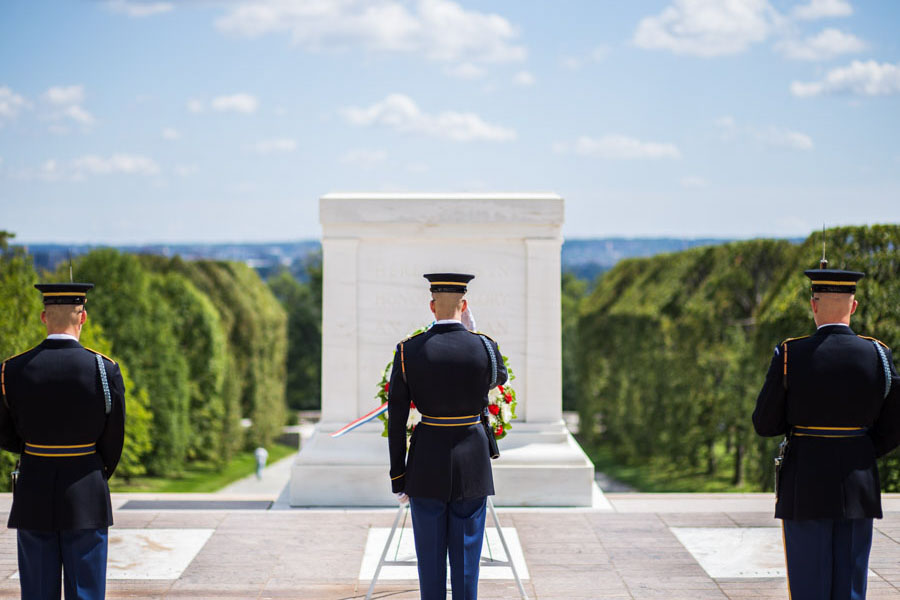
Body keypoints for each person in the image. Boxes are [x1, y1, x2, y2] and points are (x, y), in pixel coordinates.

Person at [753, 261, 900, 600]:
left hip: (805, 479)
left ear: (813, 304)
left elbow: (765, 423)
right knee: (849, 587)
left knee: (809, 587)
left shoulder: (790, 353)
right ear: (854, 305)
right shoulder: (878, 354)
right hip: (858, 480)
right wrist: (860, 447)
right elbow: (895, 424)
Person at [0, 282, 126, 600]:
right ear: (82, 317)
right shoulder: (104, 369)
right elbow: (114, 437)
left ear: (44, 317)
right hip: (87, 491)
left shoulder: (11, 370)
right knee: (86, 593)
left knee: (38, 593)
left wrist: (35, 449)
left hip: (33, 490)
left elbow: (4, 431)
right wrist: (95, 472)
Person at [387, 273, 507, 600]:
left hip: (426, 460)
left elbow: (396, 419)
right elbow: (501, 376)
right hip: (473, 460)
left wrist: (399, 475)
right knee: (468, 560)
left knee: (429, 558)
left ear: (431, 306)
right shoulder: (484, 346)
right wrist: (472, 331)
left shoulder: (407, 352)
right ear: (464, 304)